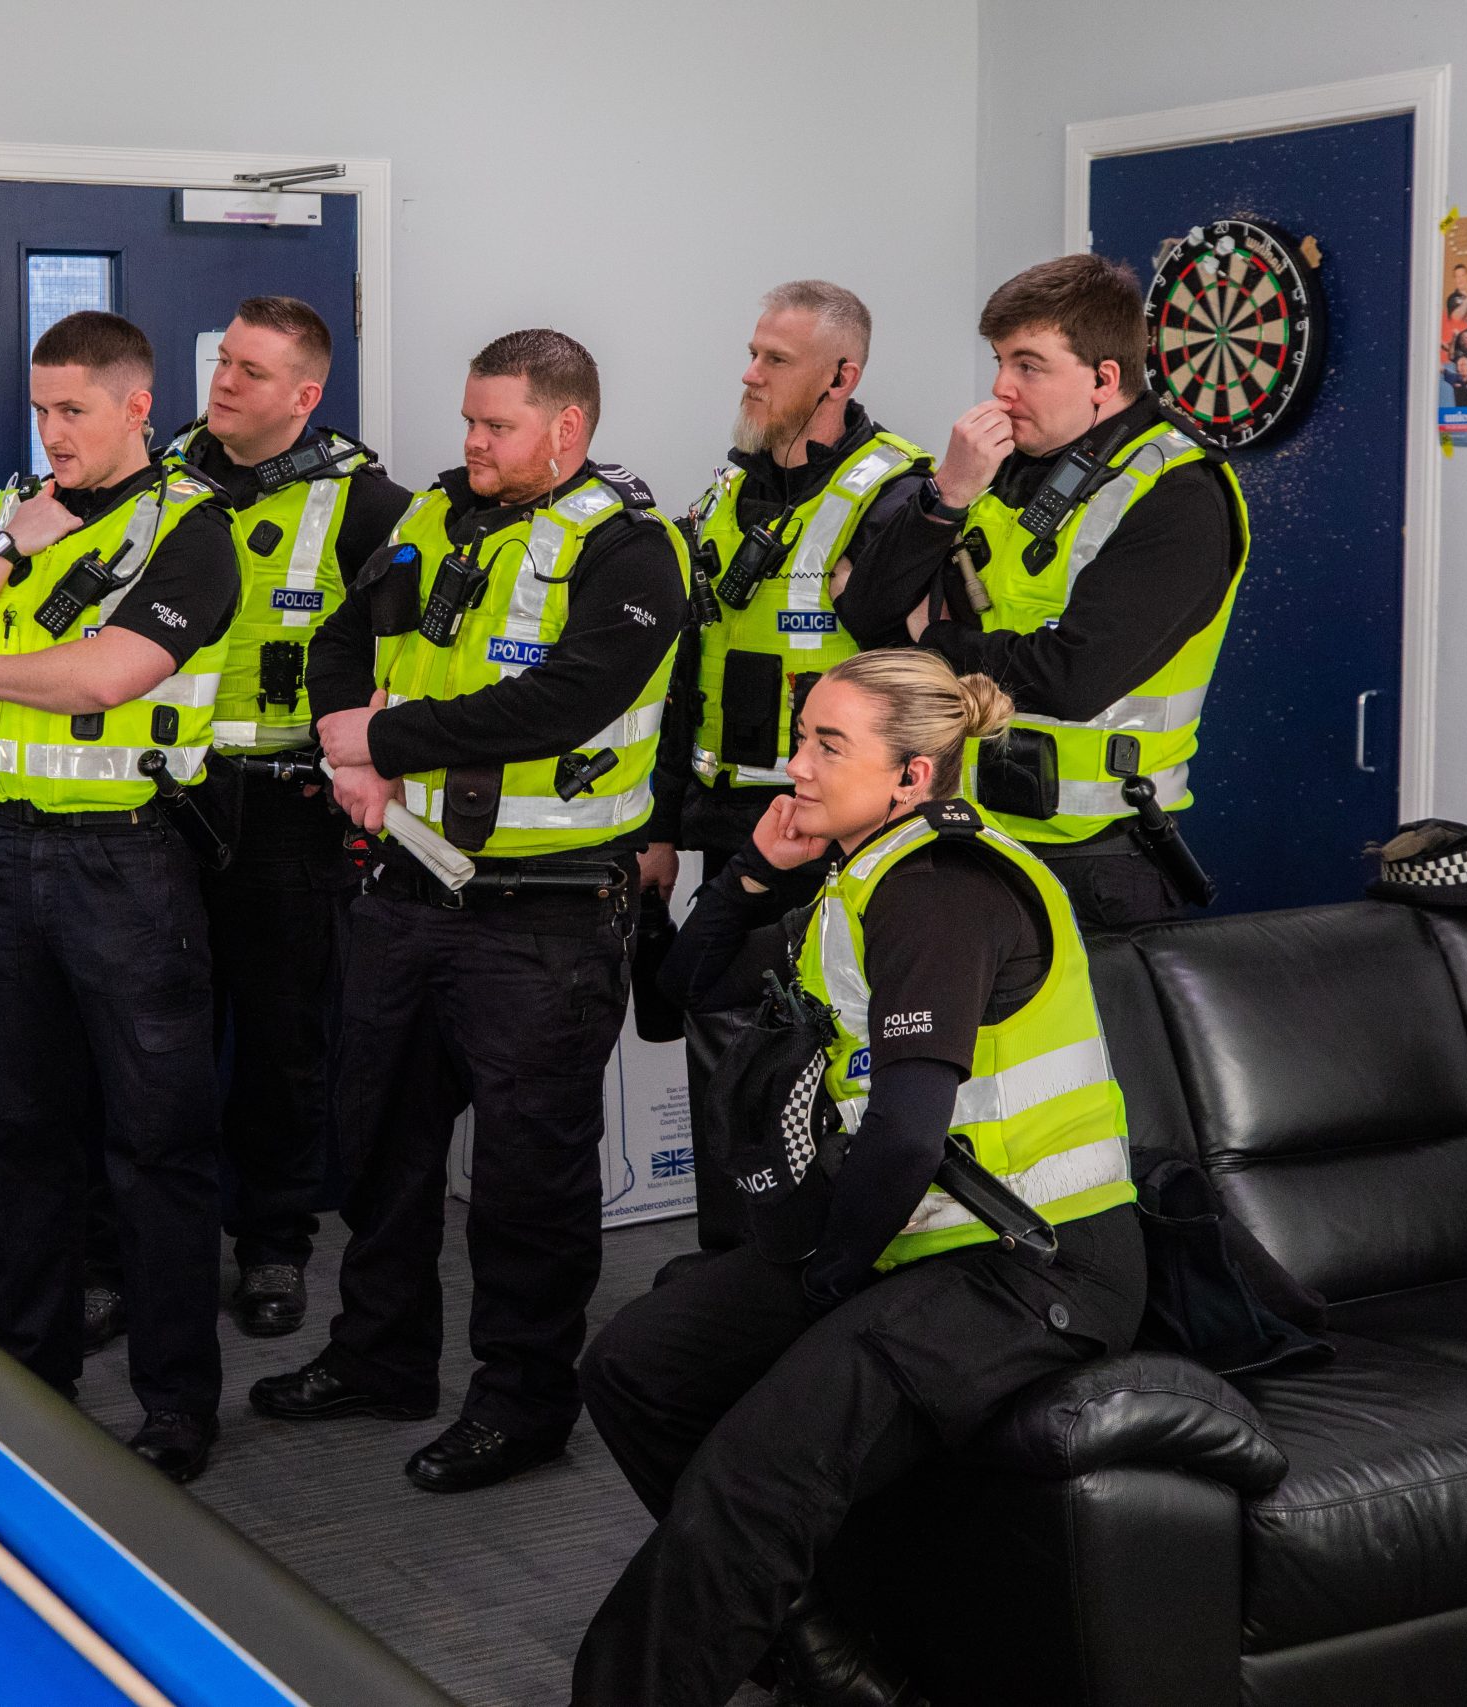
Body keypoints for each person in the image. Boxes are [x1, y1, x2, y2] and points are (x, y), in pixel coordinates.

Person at [572, 649, 1147, 1707]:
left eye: (826, 745)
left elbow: (905, 1135)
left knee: (757, 1475)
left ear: (911, 778)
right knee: (636, 1366)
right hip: (905, 1234)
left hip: (1028, 1264)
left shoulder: (942, 892)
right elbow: (681, 989)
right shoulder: (857, 878)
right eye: (800, 738)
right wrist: (753, 868)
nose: (793, 766)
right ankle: (819, 1653)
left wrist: (831, 1277)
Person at [250, 329, 688, 1494]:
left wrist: (384, 738)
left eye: (493, 426)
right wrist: (351, 755)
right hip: (402, 892)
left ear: (567, 428)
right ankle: (379, 1360)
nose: (471, 443)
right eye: (468, 420)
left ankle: (523, 1406)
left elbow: (568, 699)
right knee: (382, 1152)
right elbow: (343, 641)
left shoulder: (635, 550)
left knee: (526, 1184)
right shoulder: (433, 515)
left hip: (541, 920)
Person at [0, 310, 240, 1483]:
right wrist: (7, 547)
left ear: (136, 407)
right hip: (5, 859)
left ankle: (177, 1401)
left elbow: (110, 670)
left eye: (73, 411)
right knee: (21, 1133)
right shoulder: (22, 515)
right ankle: (27, 1377)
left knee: (158, 1145)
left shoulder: (193, 527)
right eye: (40, 410)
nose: (51, 432)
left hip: (129, 867)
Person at [151, 295, 413, 1339]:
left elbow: (403, 661)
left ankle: (272, 1246)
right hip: (160, 801)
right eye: (222, 362)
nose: (223, 383)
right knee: (151, 1043)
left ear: (304, 395)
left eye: (252, 372)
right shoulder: (151, 482)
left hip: (290, 811)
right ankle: (149, 1249)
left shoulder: (369, 506)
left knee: (279, 1045)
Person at [887, 254, 1249, 928]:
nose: (1000, 389)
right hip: (975, 831)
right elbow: (873, 610)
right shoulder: (1005, 467)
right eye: (998, 361)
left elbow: (1072, 678)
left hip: (1098, 862)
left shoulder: (1178, 496)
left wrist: (931, 641)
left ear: (1104, 379)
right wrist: (947, 496)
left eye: (1028, 365)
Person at [641, 281, 931, 898]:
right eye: (753, 354)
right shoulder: (723, 495)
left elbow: (919, 676)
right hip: (722, 823)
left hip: (840, 833)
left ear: (840, 377)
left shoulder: (898, 495)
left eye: (776, 360)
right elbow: (679, 673)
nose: (750, 375)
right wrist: (658, 830)